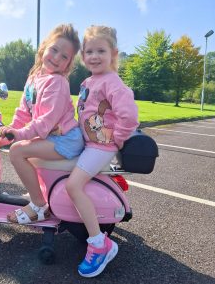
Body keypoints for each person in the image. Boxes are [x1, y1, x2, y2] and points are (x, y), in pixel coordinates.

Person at [65, 25, 139, 278]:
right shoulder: (89, 81)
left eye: (101, 51)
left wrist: (115, 140)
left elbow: (129, 117)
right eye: (89, 51)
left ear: (113, 53)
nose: (94, 56)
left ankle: (99, 244)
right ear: (83, 55)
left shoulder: (112, 82)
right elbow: (84, 113)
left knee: (73, 186)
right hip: (89, 143)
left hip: (101, 146)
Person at [0, 24, 84, 224]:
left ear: (68, 64)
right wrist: (11, 129)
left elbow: (46, 122)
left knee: (17, 151)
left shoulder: (57, 82)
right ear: (44, 47)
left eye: (64, 57)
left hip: (66, 139)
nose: (56, 58)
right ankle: (39, 194)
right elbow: (23, 112)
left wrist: (18, 136)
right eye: (54, 50)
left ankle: (38, 206)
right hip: (54, 136)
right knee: (21, 147)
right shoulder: (34, 78)